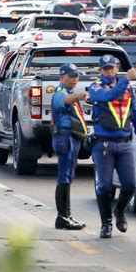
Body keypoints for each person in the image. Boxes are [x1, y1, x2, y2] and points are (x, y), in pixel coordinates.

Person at [89, 55, 136, 239]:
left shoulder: (127, 88)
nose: (109, 71)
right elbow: (108, 96)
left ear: (116, 68)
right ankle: (106, 223)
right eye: (105, 69)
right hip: (103, 144)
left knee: (130, 185)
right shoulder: (96, 87)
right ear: (100, 71)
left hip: (124, 144)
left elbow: (135, 115)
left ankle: (119, 212)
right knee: (104, 187)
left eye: (111, 68)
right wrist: (126, 79)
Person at [51, 63, 88, 230]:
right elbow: (63, 103)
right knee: (64, 176)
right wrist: (77, 97)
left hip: (71, 137)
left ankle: (66, 215)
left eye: (76, 76)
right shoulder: (60, 93)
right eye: (71, 76)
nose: (74, 79)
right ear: (62, 77)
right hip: (64, 137)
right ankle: (62, 217)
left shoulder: (69, 92)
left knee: (68, 176)